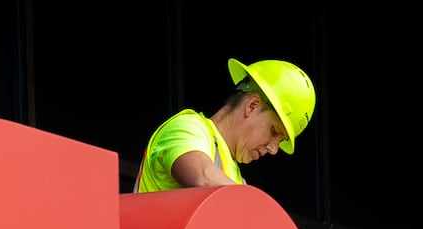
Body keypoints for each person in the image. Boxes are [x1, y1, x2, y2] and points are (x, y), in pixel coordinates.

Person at [133, 58, 315, 193]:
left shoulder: (235, 180)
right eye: (273, 131)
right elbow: (202, 178)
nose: (274, 149)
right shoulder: (186, 128)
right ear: (252, 106)